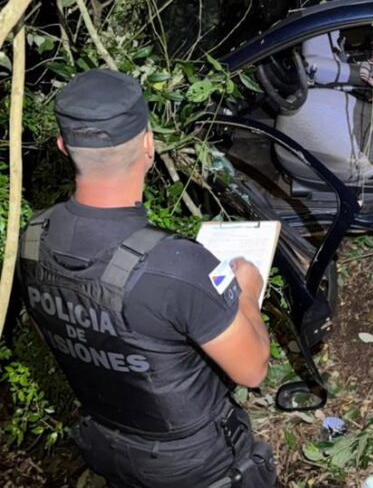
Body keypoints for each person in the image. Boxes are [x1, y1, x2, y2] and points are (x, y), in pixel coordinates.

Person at [15, 69, 277, 487]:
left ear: (64, 147)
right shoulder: (177, 265)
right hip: (195, 468)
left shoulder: (30, 240)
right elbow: (253, 370)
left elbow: (57, 334)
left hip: (109, 448)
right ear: (148, 144)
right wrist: (245, 288)